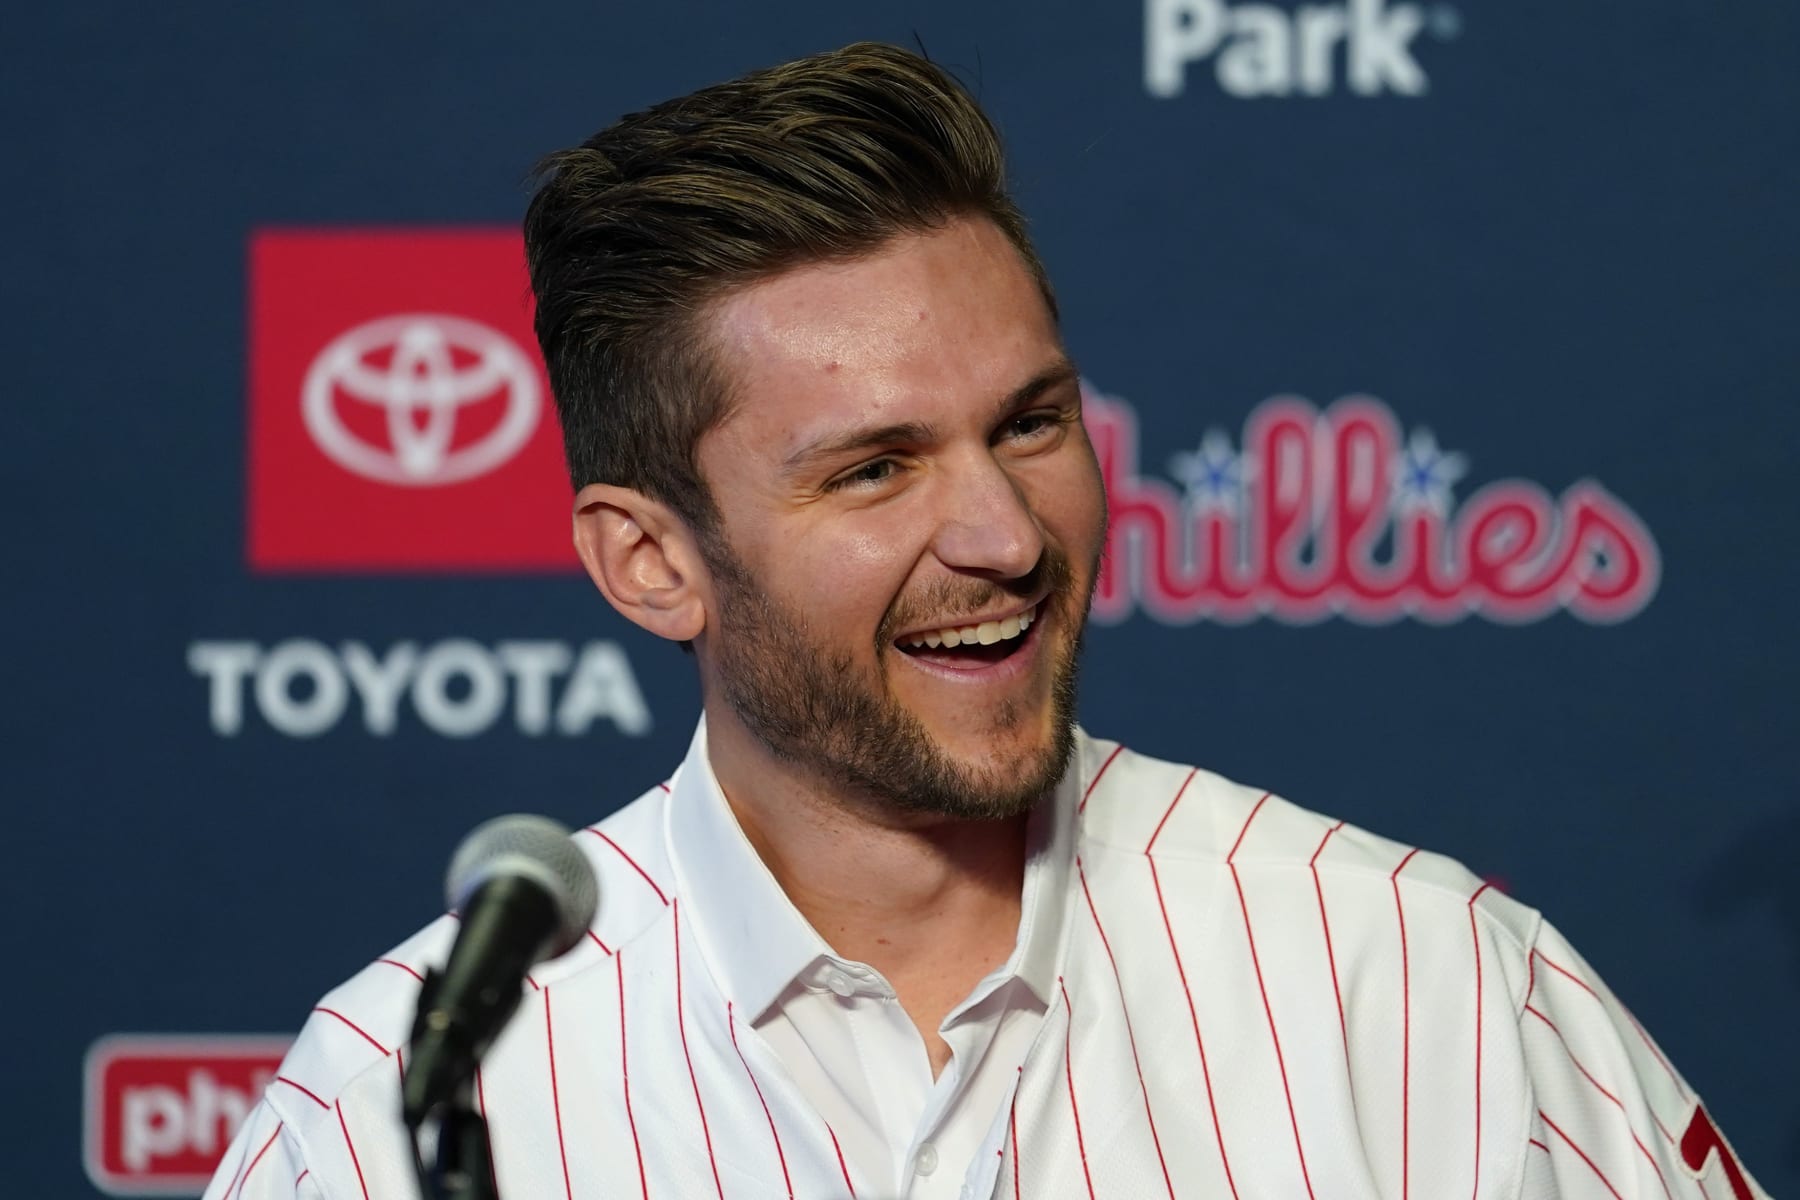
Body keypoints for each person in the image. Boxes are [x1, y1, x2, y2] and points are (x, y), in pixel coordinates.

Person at [204, 42, 1769, 1200]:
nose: (1006, 535)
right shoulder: (397, 1110)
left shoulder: (1424, 984)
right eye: (874, 469)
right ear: (648, 562)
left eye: (1030, 425)